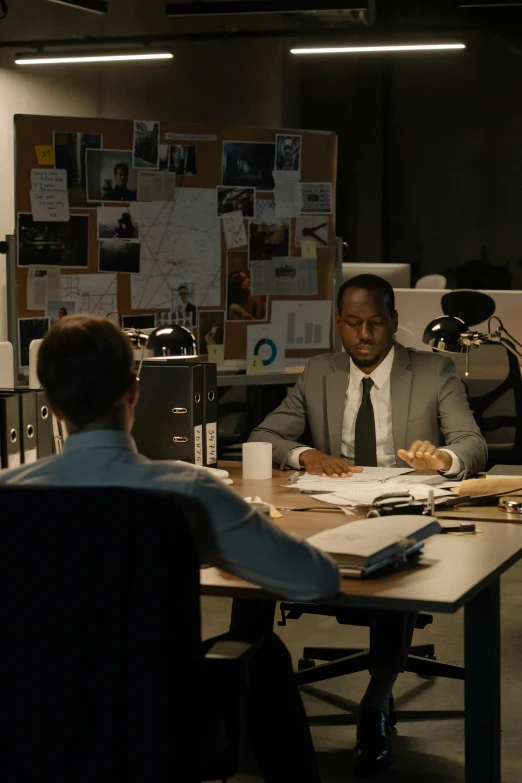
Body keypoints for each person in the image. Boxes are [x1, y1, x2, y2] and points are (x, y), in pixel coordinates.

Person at [0, 314, 340, 783]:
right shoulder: (188, 492)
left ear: (52, 406)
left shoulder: (9, 495)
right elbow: (316, 580)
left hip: (30, 721)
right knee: (266, 655)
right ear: (133, 391)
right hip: (152, 723)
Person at [249, 273, 487, 776]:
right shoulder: (319, 372)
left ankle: (376, 703)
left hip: (397, 509)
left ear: (394, 323)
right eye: (353, 323)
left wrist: (441, 457)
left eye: (376, 324)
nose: (364, 334)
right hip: (327, 508)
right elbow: (265, 435)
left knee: (394, 563)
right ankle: (247, 701)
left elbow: (472, 443)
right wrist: (306, 453)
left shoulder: (432, 369)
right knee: (256, 561)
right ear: (338, 323)